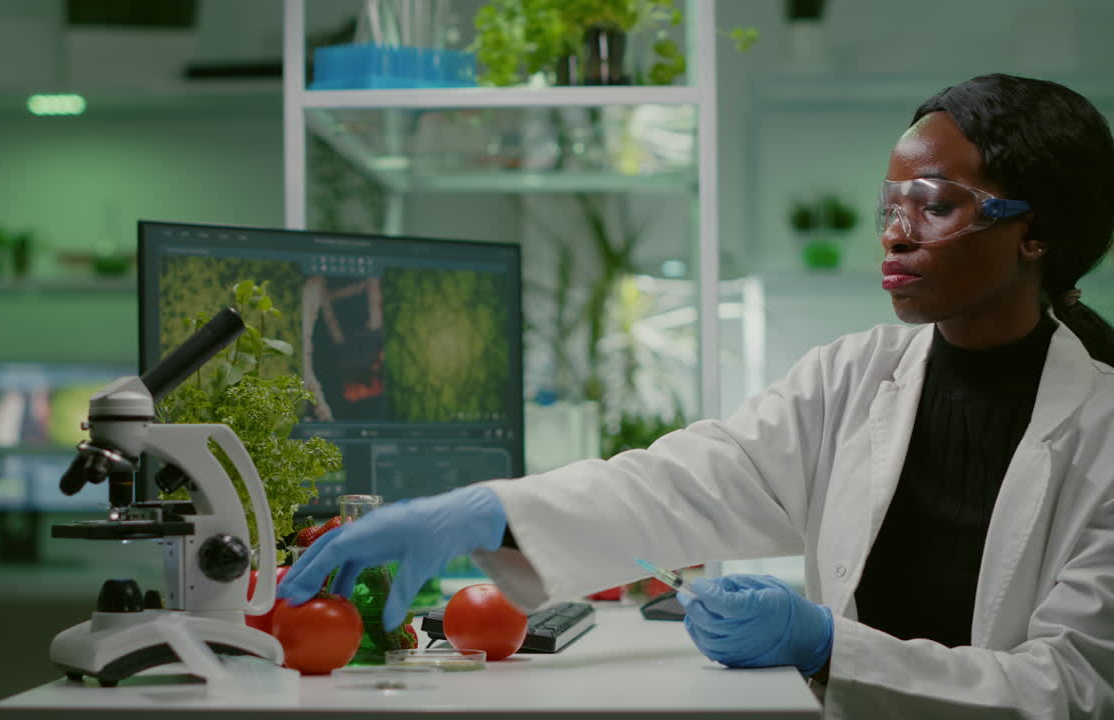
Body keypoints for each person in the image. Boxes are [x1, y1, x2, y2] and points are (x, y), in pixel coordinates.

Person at [278, 73, 1114, 718]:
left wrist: (827, 647)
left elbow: (1072, 689)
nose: (896, 232)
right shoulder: (852, 377)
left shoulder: (1103, 432)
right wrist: (483, 510)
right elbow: (683, 482)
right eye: (890, 205)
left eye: (934, 205)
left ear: (1035, 233)